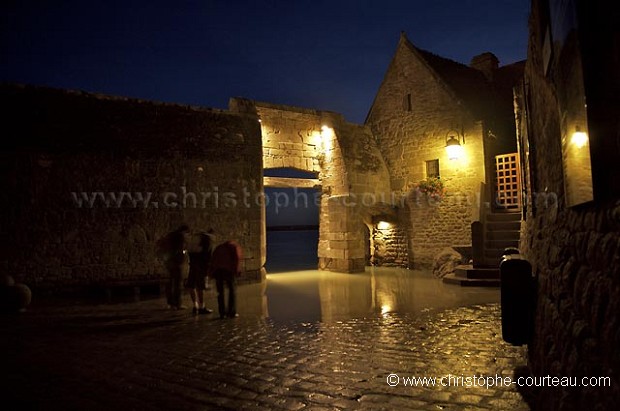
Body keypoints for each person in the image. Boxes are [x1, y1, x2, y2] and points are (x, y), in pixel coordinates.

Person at [157, 224, 190, 310]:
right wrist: (184, 253)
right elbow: (181, 249)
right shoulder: (181, 236)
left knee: (170, 282)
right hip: (177, 262)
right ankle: (178, 304)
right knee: (178, 283)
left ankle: (170, 303)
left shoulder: (170, 235)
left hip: (169, 262)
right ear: (185, 231)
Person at [208, 240, 243, 319]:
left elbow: (213, 260)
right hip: (229, 271)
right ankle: (232, 312)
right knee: (232, 291)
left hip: (218, 271)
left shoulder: (219, 247)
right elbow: (236, 259)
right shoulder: (234, 247)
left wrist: (210, 273)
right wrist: (237, 271)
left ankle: (222, 313)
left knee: (220, 292)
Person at [185, 229, 215, 315]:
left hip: (193, 265)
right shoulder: (208, 239)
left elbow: (189, 251)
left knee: (191, 285)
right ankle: (202, 307)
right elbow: (208, 256)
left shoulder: (196, 238)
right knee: (200, 287)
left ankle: (195, 306)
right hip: (201, 266)